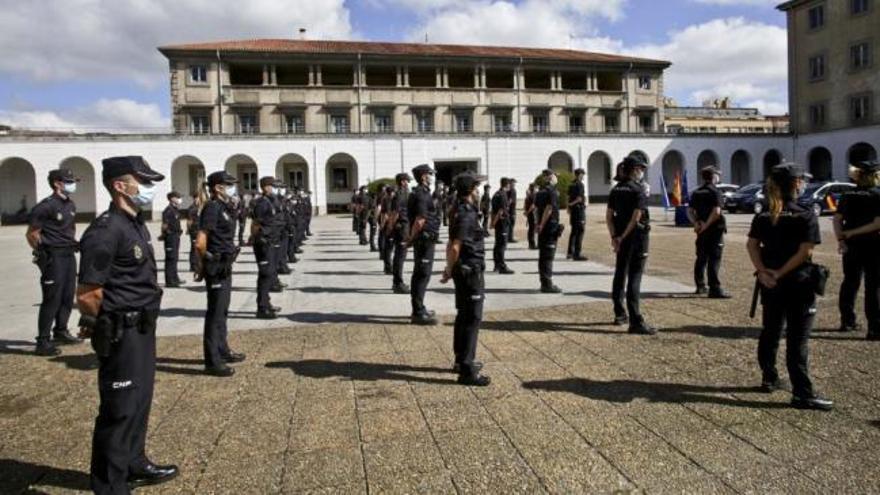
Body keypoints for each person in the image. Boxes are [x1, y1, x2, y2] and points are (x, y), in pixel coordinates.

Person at [76, 155, 178, 493]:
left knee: (139, 401)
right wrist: (103, 327)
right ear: (120, 186)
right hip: (121, 330)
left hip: (142, 327)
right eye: (143, 182)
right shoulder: (106, 230)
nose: (148, 188)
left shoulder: (134, 223)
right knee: (119, 411)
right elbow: (89, 292)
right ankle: (110, 485)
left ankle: (134, 462)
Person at [747, 163, 833, 410]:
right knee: (798, 340)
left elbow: (752, 246)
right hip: (797, 283)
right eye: (801, 180)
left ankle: (769, 376)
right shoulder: (805, 214)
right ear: (795, 183)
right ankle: (802, 393)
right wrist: (780, 273)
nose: (803, 184)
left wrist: (764, 272)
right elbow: (805, 251)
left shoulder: (764, 214)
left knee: (770, 331)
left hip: (770, 285)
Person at [441, 171, 491, 386]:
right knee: (472, 319)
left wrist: (449, 268)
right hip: (470, 270)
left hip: (463, 268)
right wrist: (449, 269)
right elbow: (455, 245)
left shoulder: (460, 210)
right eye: (477, 187)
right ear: (471, 191)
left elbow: (450, 244)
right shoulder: (467, 213)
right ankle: (467, 370)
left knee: (463, 315)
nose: (479, 191)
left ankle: (461, 361)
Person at [26, 168, 82, 356]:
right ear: (57, 183)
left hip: (68, 254)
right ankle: (42, 341)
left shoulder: (70, 204)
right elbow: (32, 234)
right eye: (69, 181)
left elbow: (70, 228)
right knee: (52, 298)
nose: (73, 184)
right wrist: (42, 254)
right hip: (53, 256)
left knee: (67, 295)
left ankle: (61, 330)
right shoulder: (45, 206)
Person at [196, 171, 246, 377]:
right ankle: (212, 360)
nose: (233, 188)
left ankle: (223, 350)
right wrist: (206, 262)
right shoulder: (212, 208)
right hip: (216, 266)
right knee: (215, 314)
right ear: (218, 187)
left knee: (223, 311)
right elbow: (200, 241)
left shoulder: (225, 207)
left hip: (225, 264)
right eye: (229, 184)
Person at [606, 157, 655, 334]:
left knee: (620, 273)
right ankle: (635, 320)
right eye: (640, 168)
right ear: (634, 169)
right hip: (636, 238)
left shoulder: (616, 189)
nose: (641, 171)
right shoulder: (638, 190)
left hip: (620, 237)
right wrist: (623, 236)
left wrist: (615, 237)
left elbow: (609, 217)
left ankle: (620, 313)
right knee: (635, 276)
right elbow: (636, 217)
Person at [834, 159, 880, 338]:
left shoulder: (848, 194)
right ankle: (875, 328)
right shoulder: (878, 195)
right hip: (875, 245)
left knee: (850, 282)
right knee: (874, 286)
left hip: (852, 246)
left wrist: (842, 238)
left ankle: (847, 321)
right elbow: (877, 223)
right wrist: (853, 232)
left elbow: (837, 219)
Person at [688, 166, 731, 298]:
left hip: (701, 230)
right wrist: (707, 225)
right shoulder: (715, 191)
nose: (718, 177)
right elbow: (717, 211)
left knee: (701, 258)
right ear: (713, 176)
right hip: (714, 230)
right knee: (714, 259)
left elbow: (689, 211)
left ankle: (700, 286)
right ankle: (714, 288)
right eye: (717, 174)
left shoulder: (697, 192)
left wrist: (696, 223)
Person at [408, 164, 441, 325]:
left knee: (422, 274)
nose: (431, 176)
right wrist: (411, 238)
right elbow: (420, 220)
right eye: (429, 174)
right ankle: (418, 312)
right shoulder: (421, 194)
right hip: (423, 239)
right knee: (422, 275)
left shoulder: (424, 192)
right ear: (423, 176)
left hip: (427, 238)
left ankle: (420, 307)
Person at [251, 177, 281, 319]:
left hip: (270, 241)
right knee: (265, 275)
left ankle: (266, 303)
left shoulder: (270, 201)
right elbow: (256, 224)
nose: (274, 189)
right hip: (263, 243)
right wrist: (259, 240)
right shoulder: (262, 203)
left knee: (268, 274)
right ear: (265, 187)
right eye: (272, 186)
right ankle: (262, 308)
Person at [535, 170, 563, 293]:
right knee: (548, 257)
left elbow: (536, 210)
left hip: (543, 227)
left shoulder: (540, 192)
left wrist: (537, 223)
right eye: (555, 176)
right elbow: (549, 208)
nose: (557, 178)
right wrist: (541, 224)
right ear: (550, 177)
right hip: (549, 227)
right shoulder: (552, 191)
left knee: (543, 256)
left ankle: (544, 282)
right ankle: (547, 284)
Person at [388, 173, 412, 293]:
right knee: (400, 257)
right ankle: (398, 283)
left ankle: (397, 282)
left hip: (405, 227)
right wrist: (391, 228)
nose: (408, 183)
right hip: (401, 228)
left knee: (401, 256)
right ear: (402, 182)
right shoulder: (400, 195)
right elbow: (394, 214)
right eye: (407, 181)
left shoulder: (405, 194)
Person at [160, 191, 185, 288]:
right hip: (170, 237)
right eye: (177, 197)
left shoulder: (175, 209)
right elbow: (165, 225)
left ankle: (175, 278)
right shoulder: (168, 210)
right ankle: (170, 281)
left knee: (175, 258)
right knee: (170, 258)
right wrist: (164, 234)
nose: (179, 199)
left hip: (176, 236)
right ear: (172, 199)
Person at [491, 178, 514, 274]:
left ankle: (496, 265)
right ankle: (501, 266)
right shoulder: (503, 195)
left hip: (498, 223)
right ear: (507, 184)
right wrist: (493, 222)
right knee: (501, 245)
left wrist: (493, 222)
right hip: (503, 223)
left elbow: (493, 210)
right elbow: (500, 211)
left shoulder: (496, 194)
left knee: (497, 244)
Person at [567, 168, 588, 260]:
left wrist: (568, 207)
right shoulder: (580, 185)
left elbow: (568, 196)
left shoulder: (571, 184)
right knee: (580, 231)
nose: (583, 176)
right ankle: (577, 253)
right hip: (579, 210)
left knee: (573, 232)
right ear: (579, 175)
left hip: (573, 211)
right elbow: (579, 198)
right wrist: (571, 204)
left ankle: (570, 252)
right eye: (582, 174)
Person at [380, 185, 395, 274]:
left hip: (388, 225)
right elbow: (384, 214)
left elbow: (383, 214)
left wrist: (382, 225)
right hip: (390, 225)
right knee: (389, 248)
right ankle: (388, 267)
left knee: (388, 248)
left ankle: (387, 266)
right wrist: (383, 225)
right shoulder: (388, 201)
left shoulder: (385, 200)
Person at [186, 192, 202, 274]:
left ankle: (198, 264)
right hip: (194, 230)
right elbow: (189, 220)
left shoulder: (200, 207)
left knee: (199, 248)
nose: (199, 199)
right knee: (194, 248)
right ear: (195, 198)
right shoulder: (192, 208)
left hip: (200, 230)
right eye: (198, 198)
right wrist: (188, 230)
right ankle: (193, 265)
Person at [524, 183, 538, 250]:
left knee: (530, 229)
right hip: (532, 214)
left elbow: (525, 205)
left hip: (530, 214)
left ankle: (530, 244)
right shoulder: (534, 196)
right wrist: (527, 212)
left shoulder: (528, 196)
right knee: (532, 230)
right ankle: (532, 244)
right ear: (534, 188)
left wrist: (526, 212)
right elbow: (533, 206)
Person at [507, 178, 518, 242]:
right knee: (511, 224)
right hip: (511, 210)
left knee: (510, 224)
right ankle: (510, 238)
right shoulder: (513, 190)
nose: (514, 184)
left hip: (510, 209)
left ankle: (509, 237)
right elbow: (510, 200)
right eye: (513, 182)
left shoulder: (508, 190)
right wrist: (507, 206)